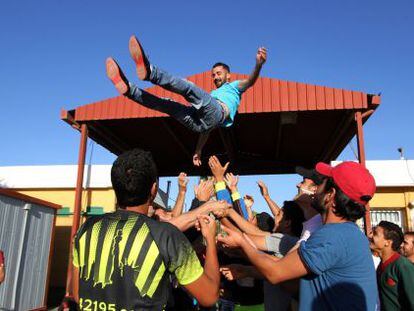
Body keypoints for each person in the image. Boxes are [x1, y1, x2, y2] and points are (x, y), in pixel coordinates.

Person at [72, 148, 222, 310]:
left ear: (115, 186)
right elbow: (209, 296)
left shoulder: (86, 229)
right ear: (154, 189)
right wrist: (210, 240)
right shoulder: (167, 236)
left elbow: (77, 294)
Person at [218, 161, 379, 310]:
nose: (316, 189)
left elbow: (276, 272)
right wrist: (246, 268)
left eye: (321, 183)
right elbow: (292, 279)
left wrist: (241, 242)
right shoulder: (346, 233)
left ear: (330, 195)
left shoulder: (333, 236)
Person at [106, 35, 267, 166]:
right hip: (201, 124)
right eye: (213, 75)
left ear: (228, 75)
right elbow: (207, 129)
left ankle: (150, 72)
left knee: (188, 88)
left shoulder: (234, 87)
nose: (215, 77)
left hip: (217, 111)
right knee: (167, 105)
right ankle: (130, 90)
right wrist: (198, 151)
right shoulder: (213, 93)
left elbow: (250, 81)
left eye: (218, 73)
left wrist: (258, 64)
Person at [370, 221, 414, 310]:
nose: (370, 236)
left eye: (375, 233)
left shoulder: (402, 265)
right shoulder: (381, 265)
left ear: (388, 242)